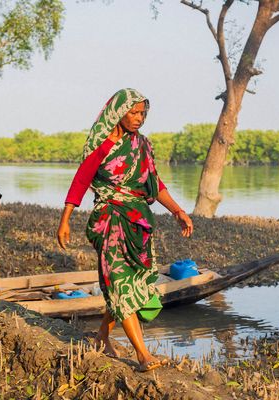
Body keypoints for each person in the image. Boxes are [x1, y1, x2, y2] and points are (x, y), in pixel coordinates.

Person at [57, 88, 193, 372]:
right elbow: (81, 180)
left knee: (124, 285)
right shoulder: (102, 145)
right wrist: (65, 219)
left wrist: (178, 211)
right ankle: (143, 356)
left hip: (138, 223)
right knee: (120, 282)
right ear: (118, 112)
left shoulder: (142, 144)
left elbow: (155, 183)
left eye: (143, 113)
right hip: (109, 220)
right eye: (134, 112)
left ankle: (101, 337)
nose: (139, 118)